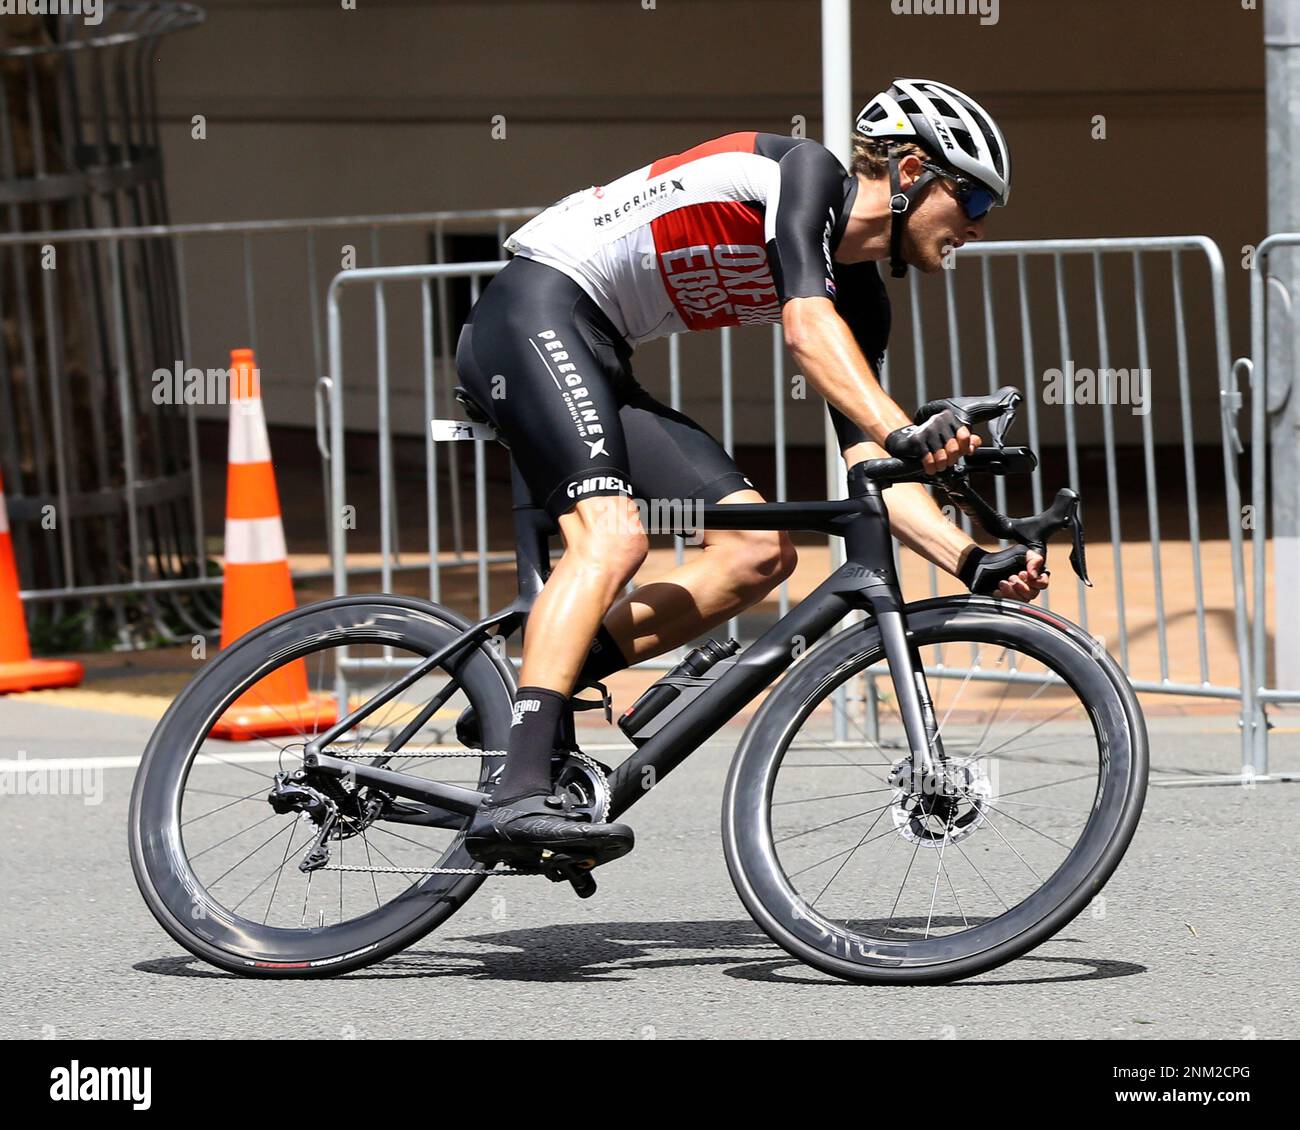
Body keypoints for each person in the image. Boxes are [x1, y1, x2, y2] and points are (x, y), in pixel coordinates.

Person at [454, 78, 1047, 866]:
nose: (976, 228)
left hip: (599, 353)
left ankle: (527, 692)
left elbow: (871, 465)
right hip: (536, 310)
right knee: (613, 536)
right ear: (911, 174)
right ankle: (515, 793)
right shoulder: (805, 177)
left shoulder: (861, 299)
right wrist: (906, 427)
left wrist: (972, 559)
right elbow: (805, 331)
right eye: (972, 203)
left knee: (758, 553)